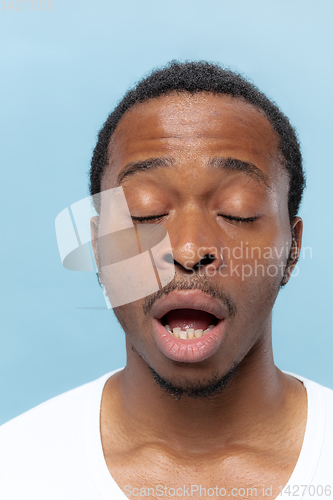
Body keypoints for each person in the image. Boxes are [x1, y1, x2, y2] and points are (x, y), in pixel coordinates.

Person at [0, 61, 332, 499]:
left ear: (292, 249)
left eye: (237, 209)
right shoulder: (16, 469)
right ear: (98, 248)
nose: (189, 250)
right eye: (144, 211)